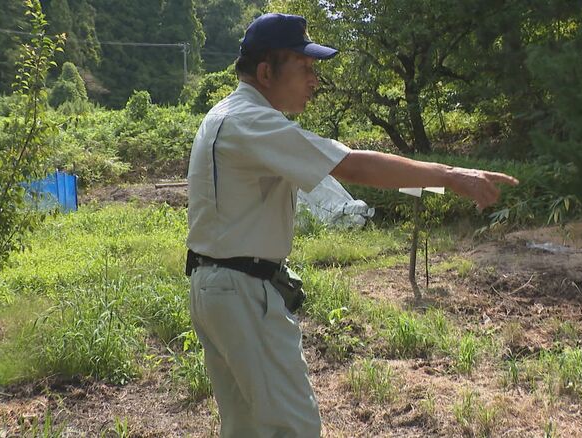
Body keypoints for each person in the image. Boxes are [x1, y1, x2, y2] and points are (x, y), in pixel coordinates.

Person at [186, 12, 519, 438]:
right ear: (266, 72)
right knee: (294, 428)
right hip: (242, 291)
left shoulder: (227, 114)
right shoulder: (251, 121)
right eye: (304, 67)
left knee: (247, 428)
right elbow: (352, 165)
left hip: (219, 286)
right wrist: (451, 175)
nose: (315, 80)